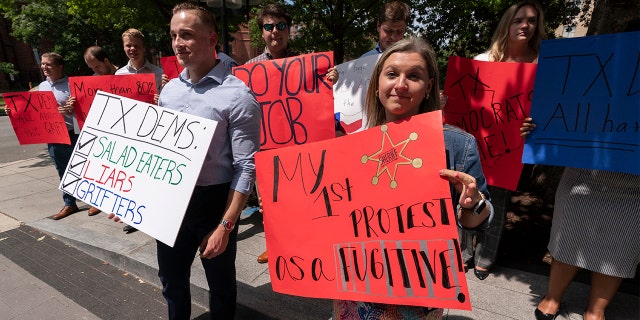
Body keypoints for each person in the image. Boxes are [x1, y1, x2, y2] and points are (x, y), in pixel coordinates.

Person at [112, 3, 261, 319]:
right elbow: (159, 155)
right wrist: (126, 196)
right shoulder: (169, 92)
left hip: (215, 202)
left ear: (211, 39)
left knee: (220, 284)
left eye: (187, 35)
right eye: (174, 35)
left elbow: (246, 166)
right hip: (172, 202)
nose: (178, 43)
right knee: (171, 279)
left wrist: (226, 223)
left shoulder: (238, 95)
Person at [333, 36, 493, 320]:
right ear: (377, 82)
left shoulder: (458, 145)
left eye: (414, 76)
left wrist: (472, 203)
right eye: (392, 74)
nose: (401, 84)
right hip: (359, 282)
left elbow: (476, 221)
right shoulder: (353, 146)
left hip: (417, 288)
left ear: (429, 85)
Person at [526, 20, 640, 320]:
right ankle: (552, 298)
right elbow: (557, 106)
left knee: (619, 247)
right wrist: (538, 128)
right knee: (568, 235)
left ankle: (595, 311)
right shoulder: (592, 68)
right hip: (583, 175)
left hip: (635, 185)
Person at [459, 0, 548, 280]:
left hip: (512, 146)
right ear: (507, 24)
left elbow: (549, 107)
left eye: (532, 20)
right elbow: (465, 103)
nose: (525, 26)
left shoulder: (542, 63)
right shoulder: (484, 61)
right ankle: (463, 251)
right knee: (466, 195)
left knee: (499, 199)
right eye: (518, 20)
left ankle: (487, 255)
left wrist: (535, 123)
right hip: (477, 142)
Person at [248, 2, 338, 264]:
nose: (274, 31)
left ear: (288, 29)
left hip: (299, 144)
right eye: (268, 26)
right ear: (262, 32)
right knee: (270, 201)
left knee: (302, 197)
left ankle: (306, 244)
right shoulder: (250, 68)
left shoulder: (307, 63)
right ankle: (275, 245)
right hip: (266, 145)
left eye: (280, 26)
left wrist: (330, 79)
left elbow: (317, 101)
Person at [5, 53, 80, 220]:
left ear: (60, 67)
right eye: (43, 64)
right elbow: (28, 108)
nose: (44, 67)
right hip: (54, 136)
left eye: (48, 64)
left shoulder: (72, 85)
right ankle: (69, 203)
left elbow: (85, 109)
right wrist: (11, 110)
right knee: (62, 170)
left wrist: (72, 110)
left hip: (74, 134)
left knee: (83, 168)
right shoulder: (42, 86)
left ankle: (94, 203)